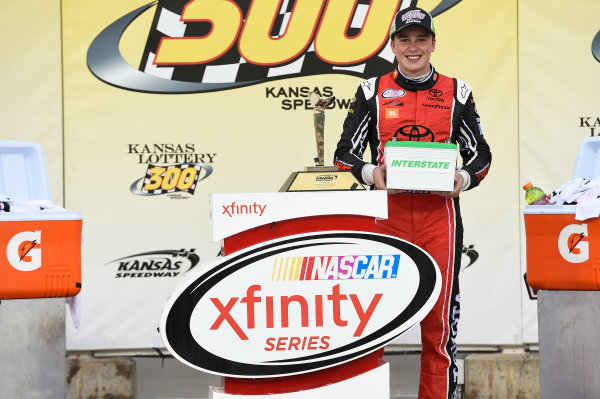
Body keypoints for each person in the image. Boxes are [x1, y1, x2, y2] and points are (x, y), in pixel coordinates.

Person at [334, 7, 492, 399]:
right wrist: (373, 174)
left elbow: (482, 155)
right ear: (393, 46)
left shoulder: (459, 91)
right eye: (405, 39)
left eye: (422, 39)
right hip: (386, 217)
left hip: (440, 218)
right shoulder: (371, 90)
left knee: (438, 327)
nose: (413, 47)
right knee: (372, 320)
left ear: (434, 44)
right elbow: (344, 153)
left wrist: (462, 177)